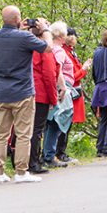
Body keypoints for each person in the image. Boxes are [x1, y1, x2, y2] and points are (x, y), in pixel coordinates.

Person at [0, 6, 53, 184]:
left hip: (2, 92)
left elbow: (11, 42)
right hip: (22, 92)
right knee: (24, 133)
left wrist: (19, 30)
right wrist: (45, 29)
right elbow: (48, 48)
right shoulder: (25, 37)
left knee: (1, 134)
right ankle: (21, 171)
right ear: (18, 18)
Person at [30, 26, 61, 175]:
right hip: (39, 93)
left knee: (22, 130)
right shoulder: (43, 48)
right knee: (36, 130)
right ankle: (33, 163)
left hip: (22, 91)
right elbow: (49, 75)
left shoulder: (24, 45)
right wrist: (53, 99)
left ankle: (20, 161)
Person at [41, 22, 73, 167]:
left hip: (49, 87)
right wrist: (62, 87)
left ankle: (47, 154)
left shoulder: (47, 47)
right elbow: (56, 68)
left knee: (49, 122)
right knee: (57, 122)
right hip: (60, 87)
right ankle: (49, 155)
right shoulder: (58, 50)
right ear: (61, 35)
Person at [58, 26, 90, 163]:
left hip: (72, 91)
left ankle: (60, 152)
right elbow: (72, 76)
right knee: (64, 122)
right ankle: (60, 153)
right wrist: (84, 69)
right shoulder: (64, 52)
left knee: (66, 123)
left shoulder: (70, 52)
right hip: (70, 90)